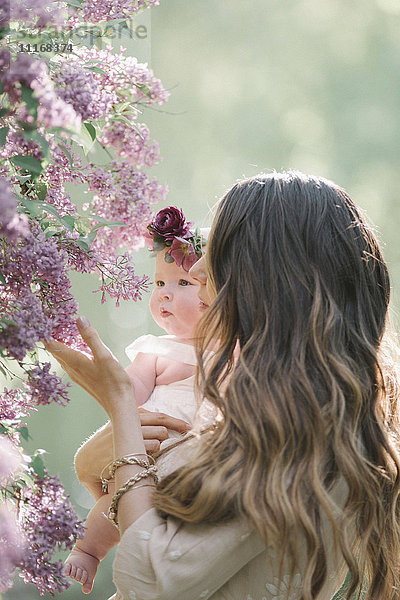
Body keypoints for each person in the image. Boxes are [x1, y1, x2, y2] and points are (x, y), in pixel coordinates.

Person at [47, 171, 400, 600]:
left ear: (268, 277)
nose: (194, 267)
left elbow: (156, 580)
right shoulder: (245, 402)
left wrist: (121, 403)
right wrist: (98, 453)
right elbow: (112, 486)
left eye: (218, 251)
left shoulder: (300, 432)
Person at [63, 207, 209, 594]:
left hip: (193, 462)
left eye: (182, 282)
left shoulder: (236, 350)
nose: (164, 293)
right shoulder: (157, 351)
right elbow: (123, 395)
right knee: (113, 505)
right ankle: (88, 552)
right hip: (146, 450)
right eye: (159, 282)